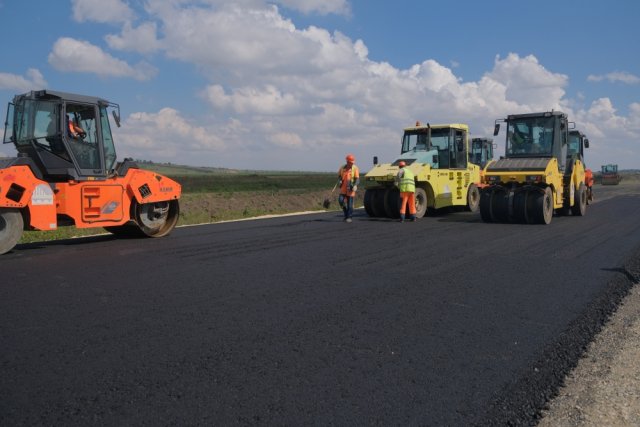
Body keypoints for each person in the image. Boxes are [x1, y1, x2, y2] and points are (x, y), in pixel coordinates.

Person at [338, 154, 359, 223]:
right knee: (341, 201)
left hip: (351, 189)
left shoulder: (355, 168)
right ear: (347, 162)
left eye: (353, 162)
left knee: (350, 205)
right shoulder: (342, 168)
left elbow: (357, 179)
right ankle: (346, 213)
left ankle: (349, 217)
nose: (352, 164)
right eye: (351, 162)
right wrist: (340, 180)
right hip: (343, 189)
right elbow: (339, 177)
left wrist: (355, 185)